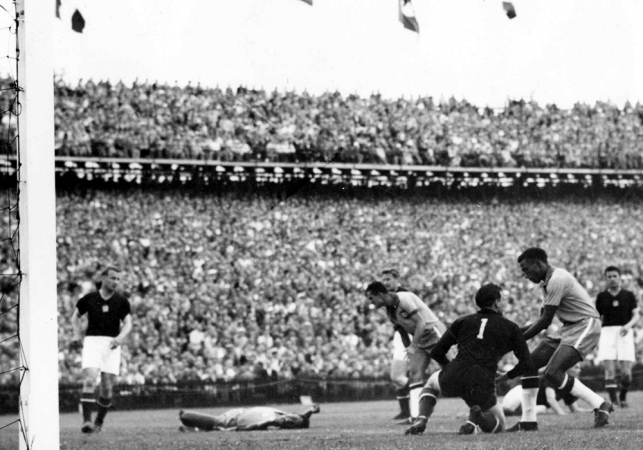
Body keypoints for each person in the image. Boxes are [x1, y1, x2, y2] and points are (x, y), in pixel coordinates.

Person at [504, 247, 612, 432]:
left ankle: (601, 403)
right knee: (530, 364)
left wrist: (515, 340)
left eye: (526, 269)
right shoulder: (547, 282)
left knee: (552, 372)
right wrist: (511, 335)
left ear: (538, 264)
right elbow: (540, 319)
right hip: (568, 327)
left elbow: (545, 322)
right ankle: (528, 421)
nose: (525, 275)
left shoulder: (557, 280)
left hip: (584, 324)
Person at [405, 283, 533, 436]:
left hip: (456, 372)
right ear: (497, 302)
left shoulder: (462, 321)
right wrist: (506, 376)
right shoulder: (510, 327)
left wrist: (451, 369)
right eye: (502, 299)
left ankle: (421, 419)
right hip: (483, 380)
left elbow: (437, 352)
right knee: (500, 427)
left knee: (431, 383)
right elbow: (526, 363)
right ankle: (478, 417)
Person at [365, 281, 446, 423]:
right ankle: (416, 417)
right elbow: (402, 331)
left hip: (434, 334)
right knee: (415, 375)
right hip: (419, 339)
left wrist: (413, 346)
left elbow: (421, 323)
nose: (371, 302)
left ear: (379, 295)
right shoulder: (389, 310)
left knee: (456, 368)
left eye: (371, 298)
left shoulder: (404, 299)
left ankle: (480, 408)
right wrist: (410, 348)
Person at [70, 266, 132, 434]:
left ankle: (99, 422)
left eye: (118, 279)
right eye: (113, 278)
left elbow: (128, 323)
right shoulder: (89, 298)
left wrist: (120, 337)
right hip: (92, 342)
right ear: (103, 278)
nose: (115, 282)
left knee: (106, 388)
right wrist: (77, 335)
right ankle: (87, 422)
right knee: (90, 380)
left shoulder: (121, 301)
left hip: (112, 343)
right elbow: (75, 316)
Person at [595, 266, 641, 408]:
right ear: (605, 279)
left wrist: (628, 326)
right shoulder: (601, 297)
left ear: (620, 277)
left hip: (624, 331)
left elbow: (637, 315)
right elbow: (596, 317)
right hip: (607, 332)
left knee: (626, 373)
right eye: (609, 276)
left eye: (615, 276)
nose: (612, 279)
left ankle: (622, 396)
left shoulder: (628, 295)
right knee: (610, 370)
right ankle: (614, 401)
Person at [380, 268, 413, 421]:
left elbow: (411, 322)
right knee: (398, 378)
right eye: (384, 280)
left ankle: (423, 393)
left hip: (408, 337)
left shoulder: (403, 295)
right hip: (401, 337)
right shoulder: (389, 297)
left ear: (396, 279)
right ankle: (406, 411)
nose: (385, 282)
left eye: (388, 279)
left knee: (398, 377)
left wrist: (409, 344)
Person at [178, 404, 320, 431]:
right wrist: (311, 411)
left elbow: (244, 429)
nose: (288, 420)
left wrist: (266, 423)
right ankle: (192, 428)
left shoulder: (272, 425)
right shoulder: (284, 415)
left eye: (290, 424)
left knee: (186, 416)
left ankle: (190, 425)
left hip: (229, 421)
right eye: (292, 418)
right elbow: (301, 418)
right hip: (239, 411)